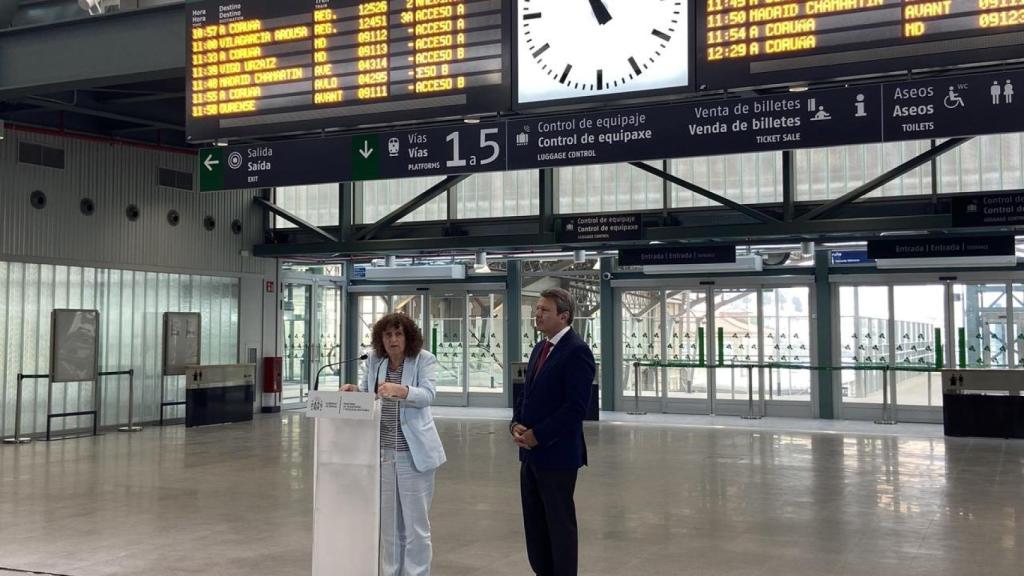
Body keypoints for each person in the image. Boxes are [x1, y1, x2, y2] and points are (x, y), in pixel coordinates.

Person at [341, 313, 445, 576]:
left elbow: (428, 394)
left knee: (415, 525)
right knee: (389, 525)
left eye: (398, 334)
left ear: (408, 337)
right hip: (384, 453)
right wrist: (356, 392)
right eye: (387, 335)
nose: (393, 339)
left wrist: (402, 391)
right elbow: (370, 396)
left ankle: (417, 573)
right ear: (380, 339)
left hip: (414, 454)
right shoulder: (376, 361)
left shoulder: (424, 359)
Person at [510, 288, 596, 576]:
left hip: (557, 456)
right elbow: (526, 395)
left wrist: (539, 435)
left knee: (559, 525)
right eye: (536, 309)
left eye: (544, 310)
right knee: (535, 525)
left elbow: (575, 408)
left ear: (564, 316)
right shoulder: (540, 348)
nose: (537, 314)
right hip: (530, 456)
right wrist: (516, 424)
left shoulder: (577, 351)